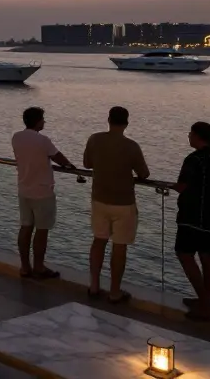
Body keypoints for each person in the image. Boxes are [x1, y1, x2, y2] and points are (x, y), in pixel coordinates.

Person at [82, 106, 150, 304]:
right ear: (127, 123)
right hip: (123, 203)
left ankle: (94, 286)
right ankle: (114, 292)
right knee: (119, 247)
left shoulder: (94, 139)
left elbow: (87, 164)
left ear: (108, 120)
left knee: (98, 241)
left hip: (99, 200)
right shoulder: (131, 146)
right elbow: (144, 174)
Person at [173, 121, 210, 321]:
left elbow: (182, 186)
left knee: (184, 254)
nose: (188, 136)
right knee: (208, 259)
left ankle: (205, 304)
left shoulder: (193, 160)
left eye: (190, 133)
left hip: (192, 217)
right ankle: (205, 300)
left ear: (198, 136)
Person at [11, 106, 77, 279]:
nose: (44, 122)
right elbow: (58, 158)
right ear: (38, 121)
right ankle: (39, 267)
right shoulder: (43, 140)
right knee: (41, 230)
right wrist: (71, 166)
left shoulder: (16, 137)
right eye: (43, 119)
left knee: (25, 227)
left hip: (24, 189)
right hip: (42, 191)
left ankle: (25, 267)